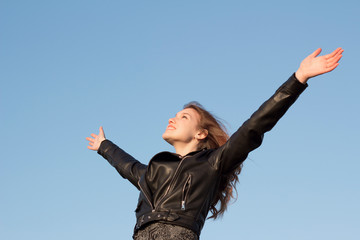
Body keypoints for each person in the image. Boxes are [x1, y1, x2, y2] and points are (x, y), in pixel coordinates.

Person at [86, 48, 343, 240]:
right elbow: (127, 166)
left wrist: (298, 79)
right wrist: (104, 146)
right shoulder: (151, 173)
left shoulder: (212, 163)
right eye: (175, 115)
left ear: (200, 134)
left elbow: (254, 127)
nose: (172, 119)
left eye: (183, 117)